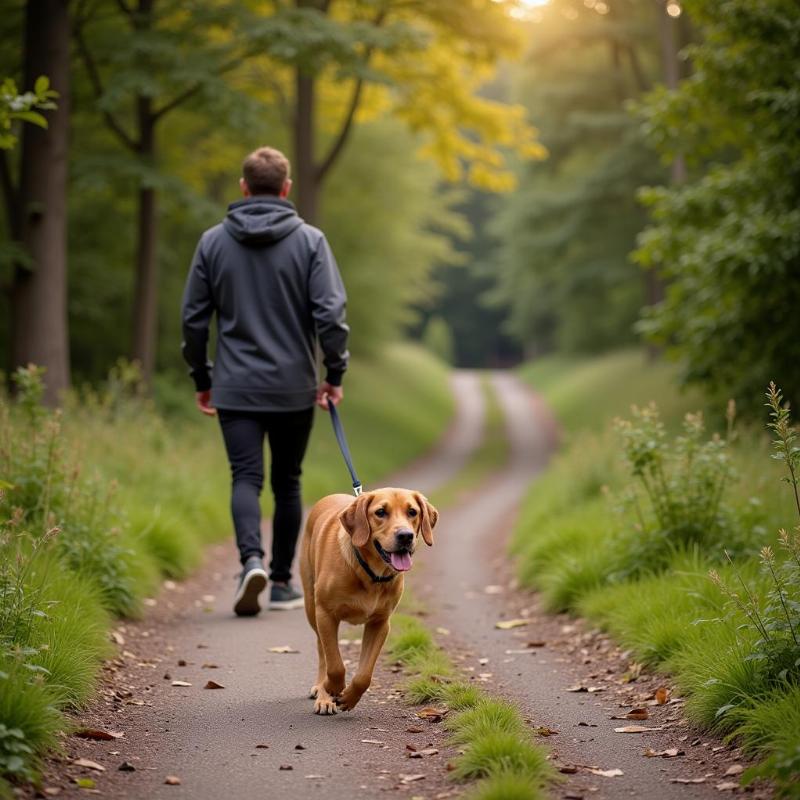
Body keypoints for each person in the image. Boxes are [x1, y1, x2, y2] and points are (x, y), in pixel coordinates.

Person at [181, 146, 349, 617]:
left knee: (246, 477)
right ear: (287, 187)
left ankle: (249, 560)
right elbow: (331, 316)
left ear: (243, 187)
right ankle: (278, 582)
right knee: (288, 482)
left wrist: (202, 376)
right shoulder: (311, 241)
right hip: (294, 385)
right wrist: (333, 374)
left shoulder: (213, 242)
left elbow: (194, 321)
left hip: (234, 384)